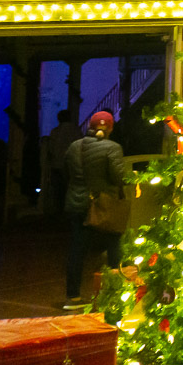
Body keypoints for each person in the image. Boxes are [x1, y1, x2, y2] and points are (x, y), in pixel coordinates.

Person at [63, 110, 131, 307]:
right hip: (102, 205)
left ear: (90, 127)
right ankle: (115, 296)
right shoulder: (113, 148)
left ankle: (73, 297)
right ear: (109, 128)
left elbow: (65, 169)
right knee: (114, 245)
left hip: (77, 204)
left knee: (77, 250)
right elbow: (119, 177)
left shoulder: (74, 146)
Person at [46, 108, 80, 214]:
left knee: (58, 191)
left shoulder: (55, 132)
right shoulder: (76, 131)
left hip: (57, 165)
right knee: (70, 189)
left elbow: (51, 149)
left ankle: (59, 211)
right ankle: (70, 211)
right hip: (72, 165)